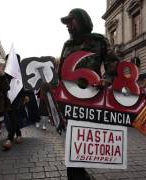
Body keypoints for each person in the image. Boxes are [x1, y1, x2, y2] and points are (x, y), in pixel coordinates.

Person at [59, 8, 119, 180]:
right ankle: (77, 175)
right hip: (70, 100)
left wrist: (106, 80)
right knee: (73, 141)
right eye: (66, 23)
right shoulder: (67, 45)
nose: (68, 26)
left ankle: (79, 173)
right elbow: (60, 72)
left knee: (82, 140)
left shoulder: (99, 41)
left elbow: (113, 64)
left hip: (91, 99)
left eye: (71, 21)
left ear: (82, 21)